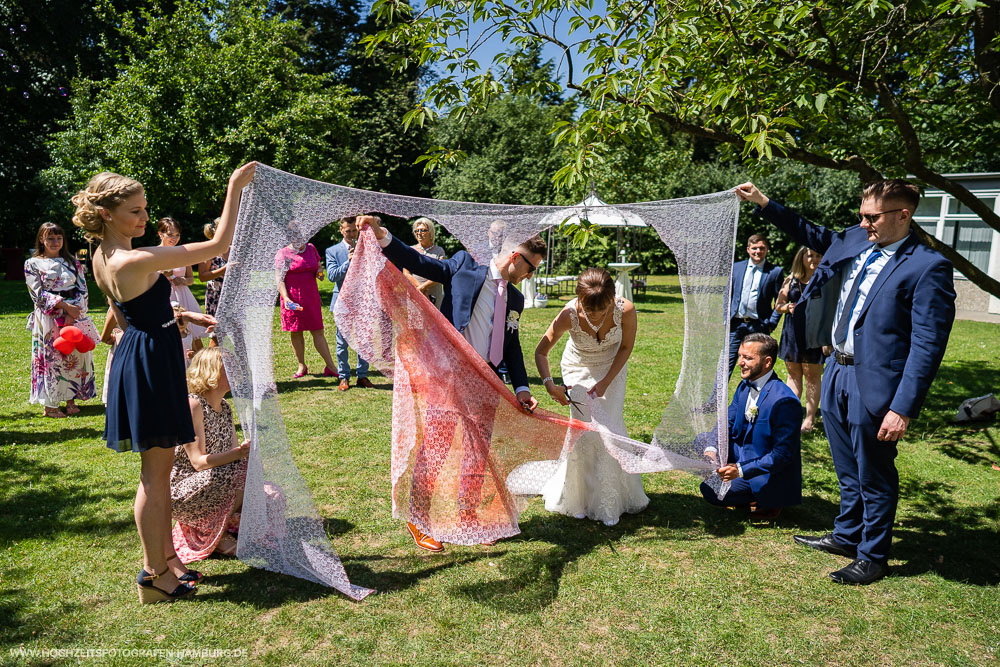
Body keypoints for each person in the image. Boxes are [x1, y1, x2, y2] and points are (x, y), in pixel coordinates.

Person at [736, 180, 956, 585]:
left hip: (874, 381)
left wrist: (902, 407)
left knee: (873, 471)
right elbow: (814, 234)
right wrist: (765, 202)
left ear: (903, 215)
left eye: (871, 216)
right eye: (861, 215)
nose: (863, 223)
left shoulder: (927, 267)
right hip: (835, 368)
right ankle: (846, 534)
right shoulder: (858, 238)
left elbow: (928, 346)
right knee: (846, 466)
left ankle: (872, 556)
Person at [72, 162, 255, 603]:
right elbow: (218, 244)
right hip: (151, 363)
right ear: (108, 214)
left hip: (142, 351)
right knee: (155, 476)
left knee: (151, 474)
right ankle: (155, 575)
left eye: (145, 209)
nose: (143, 219)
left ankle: (165, 561)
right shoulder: (137, 257)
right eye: (134, 211)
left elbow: (136, 310)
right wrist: (235, 187)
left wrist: (184, 316)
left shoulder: (104, 256)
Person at [364, 214, 544, 552]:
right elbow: (416, 260)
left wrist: (522, 387)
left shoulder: (516, 300)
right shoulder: (464, 265)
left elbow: (512, 345)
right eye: (531, 268)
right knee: (436, 448)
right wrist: (383, 235)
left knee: (477, 455)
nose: (531, 275)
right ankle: (418, 519)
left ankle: (468, 517)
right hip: (446, 377)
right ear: (516, 258)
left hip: (486, 383)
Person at [533, 267, 648, 525]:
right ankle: (579, 497)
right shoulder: (568, 314)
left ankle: (609, 499)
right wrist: (550, 385)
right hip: (578, 368)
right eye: (589, 309)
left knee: (610, 426)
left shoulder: (626, 310)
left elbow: (627, 346)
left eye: (602, 309)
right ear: (580, 300)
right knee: (585, 431)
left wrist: (607, 381)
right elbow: (541, 351)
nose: (595, 314)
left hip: (612, 368)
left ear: (612, 299)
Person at [700, 333, 802, 520]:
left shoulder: (785, 402)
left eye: (747, 358)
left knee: (710, 491)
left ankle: (765, 500)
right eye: (740, 356)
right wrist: (712, 449)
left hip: (765, 473)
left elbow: (782, 455)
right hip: (742, 453)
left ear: (767, 362)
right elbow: (727, 423)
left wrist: (739, 470)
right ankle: (736, 487)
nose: (740, 362)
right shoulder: (744, 385)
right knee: (702, 441)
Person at [171, 347, 249, 563]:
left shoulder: (225, 407)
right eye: (229, 368)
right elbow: (198, 462)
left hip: (216, 480)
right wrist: (239, 454)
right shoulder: (193, 405)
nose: (236, 373)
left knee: (270, 492)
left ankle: (218, 525)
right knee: (236, 470)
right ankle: (215, 533)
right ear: (212, 372)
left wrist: (244, 453)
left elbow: (235, 455)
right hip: (184, 488)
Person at [24, 222, 97, 417]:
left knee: (73, 356)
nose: (55, 242)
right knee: (52, 358)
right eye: (50, 238)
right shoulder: (32, 264)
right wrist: (65, 307)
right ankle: (51, 405)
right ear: (42, 240)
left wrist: (75, 312)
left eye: (59, 238)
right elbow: (38, 294)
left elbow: (83, 289)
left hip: (73, 316)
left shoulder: (73, 262)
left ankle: (71, 399)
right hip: (49, 318)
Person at [775, 247, 825, 432]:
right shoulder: (791, 280)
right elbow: (778, 306)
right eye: (810, 255)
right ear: (802, 257)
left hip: (815, 333)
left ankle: (810, 418)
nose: (814, 258)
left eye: (818, 255)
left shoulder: (824, 280)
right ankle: (792, 414)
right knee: (793, 375)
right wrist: (787, 307)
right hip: (792, 333)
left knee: (812, 376)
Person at [275, 239, 339, 380]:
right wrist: (285, 298)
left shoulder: (311, 248)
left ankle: (331, 366)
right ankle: (301, 365)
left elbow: (318, 267)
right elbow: (279, 279)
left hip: (311, 297)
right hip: (292, 298)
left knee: (318, 331)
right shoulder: (283, 253)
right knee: (296, 332)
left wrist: (320, 273)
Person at [728, 234, 783, 375]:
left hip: (759, 325)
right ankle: (717, 397)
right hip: (736, 324)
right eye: (754, 248)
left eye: (761, 248)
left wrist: (771, 323)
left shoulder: (775, 272)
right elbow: (727, 295)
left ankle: (754, 395)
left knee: (756, 367)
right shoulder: (736, 268)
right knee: (726, 364)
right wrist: (725, 317)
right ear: (748, 249)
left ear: (767, 250)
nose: (757, 251)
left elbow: (780, 300)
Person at [325, 216, 369, 390]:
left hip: (361, 299)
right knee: (342, 341)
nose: (351, 234)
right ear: (341, 230)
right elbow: (332, 276)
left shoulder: (366, 248)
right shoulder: (332, 251)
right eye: (347, 231)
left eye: (354, 231)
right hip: (341, 300)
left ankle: (363, 376)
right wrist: (347, 262)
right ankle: (344, 377)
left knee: (363, 340)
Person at [157, 217, 207, 358]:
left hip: (182, 295)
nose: (174, 238)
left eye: (177, 235)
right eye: (170, 234)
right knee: (169, 331)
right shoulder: (154, 253)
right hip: (164, 296)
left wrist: (183, 280)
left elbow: (191, 279)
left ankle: (198, 366)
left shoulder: (183, 252)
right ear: (160, 234)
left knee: (192, 334)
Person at [403, 217, 446, 310]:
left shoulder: (439, 251)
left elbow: (442, 273)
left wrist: (424, 287)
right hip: (415, 292)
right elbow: (406, 273)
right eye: (416, 231)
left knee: (435, 323)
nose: (419, 233)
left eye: (422, 230)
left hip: (434, 294)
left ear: (430, 232)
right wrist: (419, 289)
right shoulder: (410, 250)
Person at [197, 218, 228, 317]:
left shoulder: (235, 250)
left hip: (234, 295)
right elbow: (202, 277)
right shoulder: (208, 250)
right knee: (216, 329)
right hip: (216, 296)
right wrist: (224, 269)